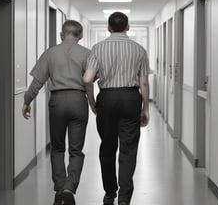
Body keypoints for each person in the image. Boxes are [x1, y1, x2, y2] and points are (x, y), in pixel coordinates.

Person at [83, 12, 150, 205]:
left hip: (107, 99)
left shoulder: (98, 48)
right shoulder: (139, 49)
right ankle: (124, 199)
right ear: (127, 27)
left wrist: (92, 100)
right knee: (128, 149)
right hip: (130, 98)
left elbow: (87, 79)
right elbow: (143, 83)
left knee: (108, 147)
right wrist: (145, 108)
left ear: (109, 27)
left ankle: (109, 192)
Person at [22, 20, 91, 205]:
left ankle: (60, 190)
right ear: (80, 35)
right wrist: (92, 103)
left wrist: (27, 101)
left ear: (62, 34)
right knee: (76, 150)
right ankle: (69, 188)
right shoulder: (87, 54)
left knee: (57, 148)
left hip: (57, 102)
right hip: (78, 101)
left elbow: (37, 83)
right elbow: (91, 81)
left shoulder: (50, 53)